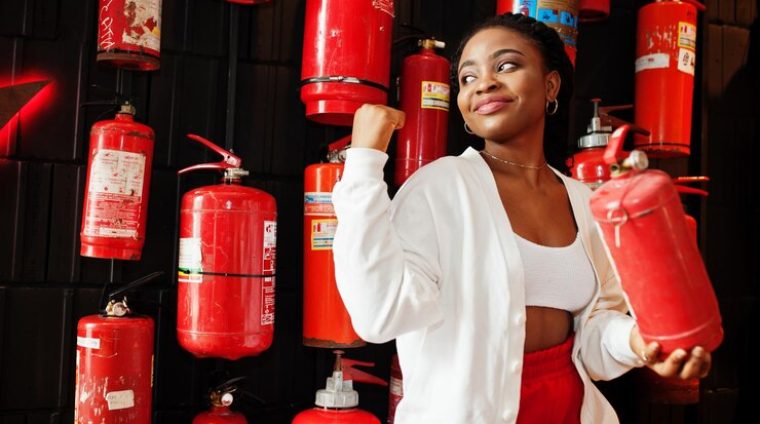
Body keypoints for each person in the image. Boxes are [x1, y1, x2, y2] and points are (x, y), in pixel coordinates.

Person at [331, 13, 712, 424]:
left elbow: (596, 332)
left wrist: (639, 342)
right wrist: (364, 163)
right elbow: (379, 314)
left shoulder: (586, 203)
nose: (484, 84)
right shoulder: (439, 189)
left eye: (506, 65)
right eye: (467, 78)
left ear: (550, 85)